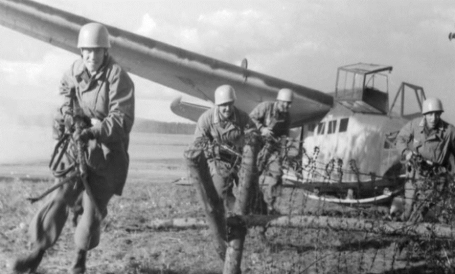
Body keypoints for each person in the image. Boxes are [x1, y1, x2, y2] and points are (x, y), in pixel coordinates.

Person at [12, 22, 135, 274]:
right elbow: (65, 99)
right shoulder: (74, 71)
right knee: (60, 199)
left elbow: (121, 119)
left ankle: (79, 261)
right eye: (86, 51)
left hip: (107, 157)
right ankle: (36, 254)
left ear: (105, 51)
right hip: (76, 148)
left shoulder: (118, 77)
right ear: (81, 52)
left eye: (97, 51)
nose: (91, 57)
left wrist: (93, 129)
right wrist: (68, 118)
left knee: (89, 220)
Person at [193, 85, 255, 212]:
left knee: (250, 191)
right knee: (221, 192)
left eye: (230, 104)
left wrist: (250, 139)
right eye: (223, 105)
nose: (227, 108)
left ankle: (250, 215)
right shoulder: (206, 119)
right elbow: (198, 142)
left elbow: (253, 132)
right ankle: (233, 214)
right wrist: (209, 145)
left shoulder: (242, 117)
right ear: (217, 105)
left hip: (240, 159)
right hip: (218, 160)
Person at [395, 97, 455, 223]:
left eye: (437, 114)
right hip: (415, 174)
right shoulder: (414, 125)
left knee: (419, 212)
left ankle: (410, 237)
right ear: (424, 114)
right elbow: (400, 139)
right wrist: (407, 153)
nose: (433, 118)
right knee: (408, 209)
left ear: (440, 114)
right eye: (430, 114)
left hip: (434, 178)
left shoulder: (449, 131)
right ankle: (400, 230)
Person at [249, 88, 293, 213]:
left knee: (277, 173)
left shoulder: (287, 117)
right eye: (285, 102)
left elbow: (285, 135)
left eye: (289, 103)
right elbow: (250, 118)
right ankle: (254, 205)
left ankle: (269, 204)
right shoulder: (265, 107)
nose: (287, 106)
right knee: (253, 175)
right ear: (278, 101)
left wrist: (283, 153)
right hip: (256, 145)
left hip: (272, 148)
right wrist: (262, 128)